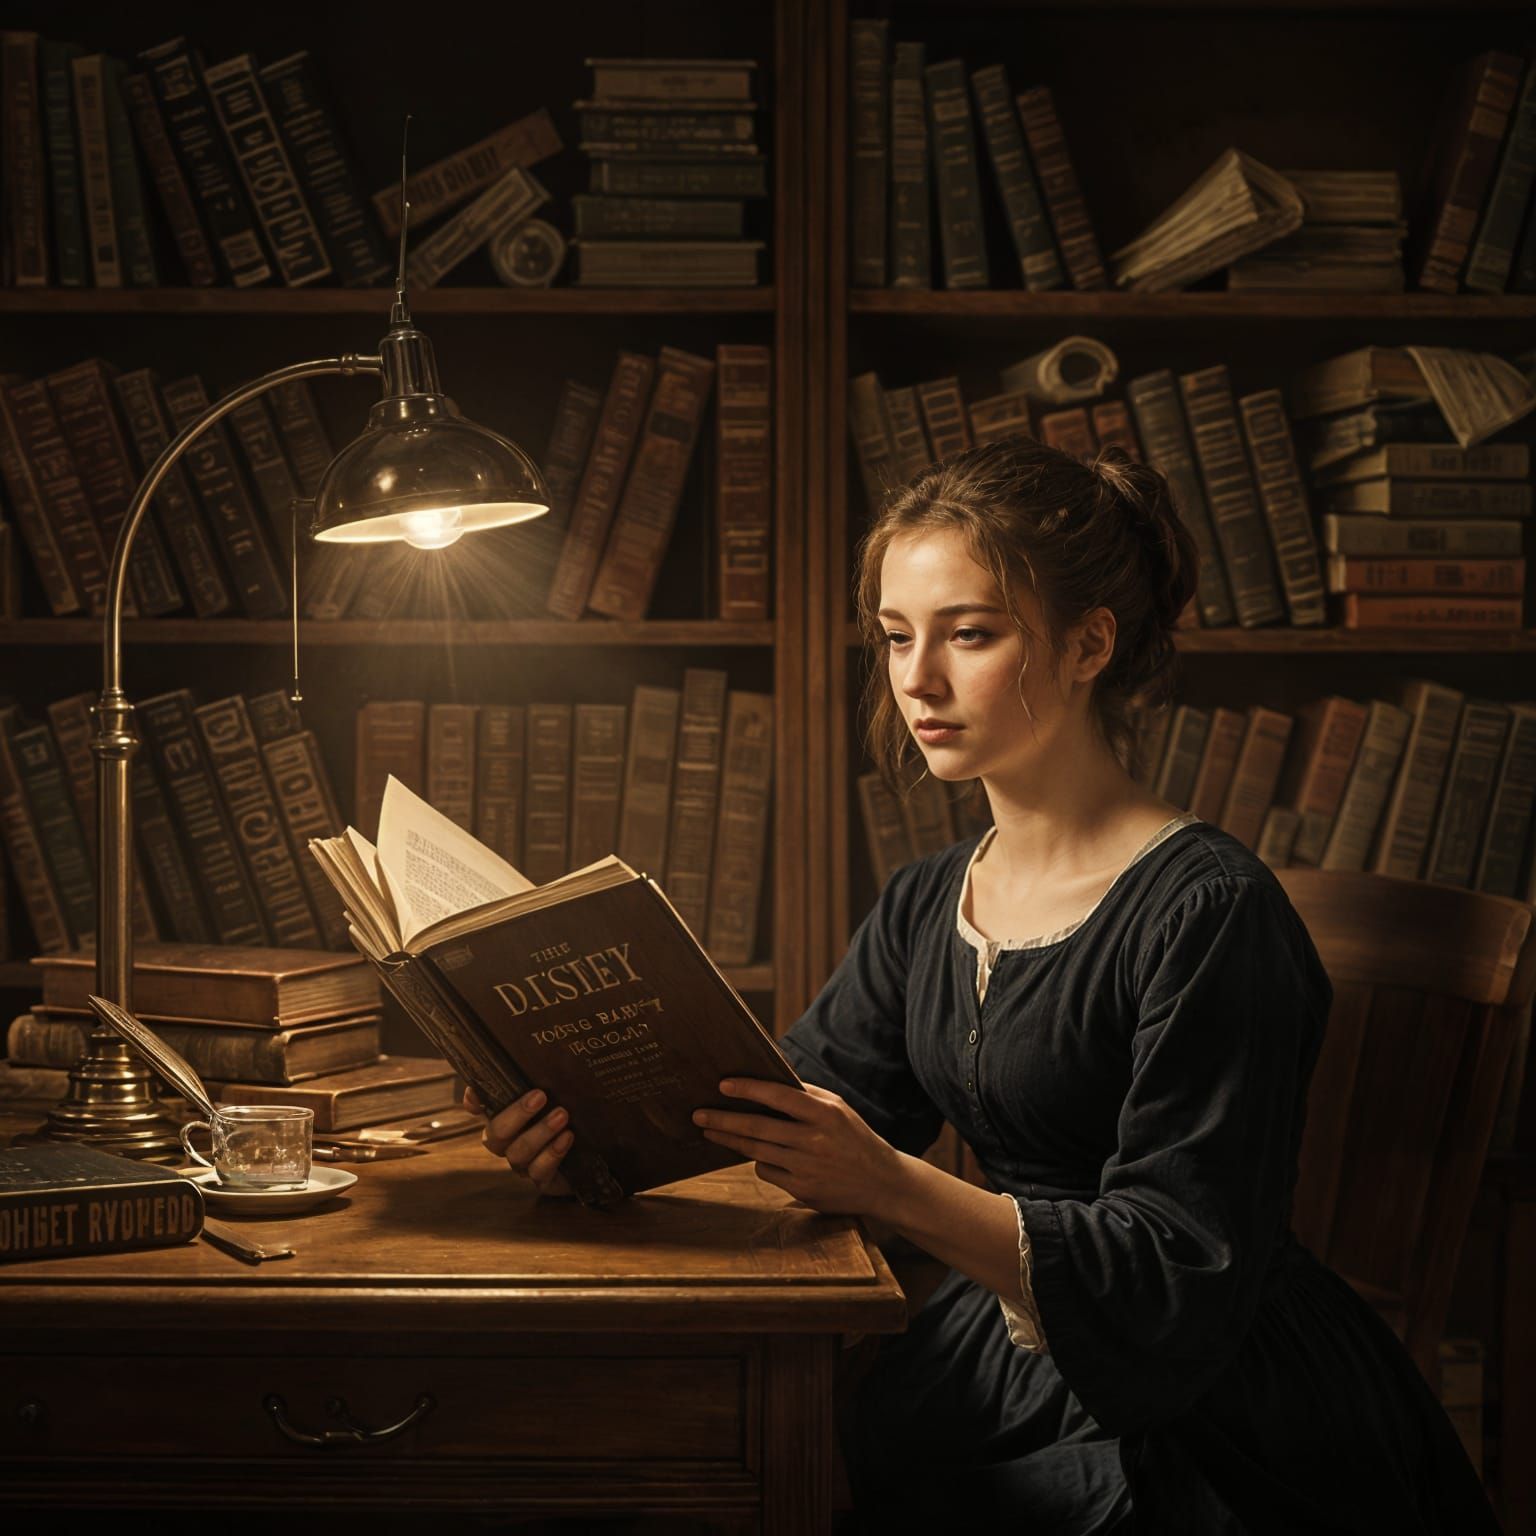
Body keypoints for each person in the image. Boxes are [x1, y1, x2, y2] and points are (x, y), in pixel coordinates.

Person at [473, 438, 1498, 1533]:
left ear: (1090, 642)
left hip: (1208, 1409)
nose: (918, 680)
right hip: (992, 1358)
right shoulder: (928, 899)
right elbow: (779, 1108)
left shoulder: (1213, 913)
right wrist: (589, 1144)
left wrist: (889, 1183)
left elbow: (1176, 1274)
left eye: (969, 634)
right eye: (896, 636)